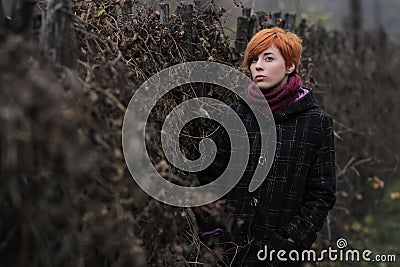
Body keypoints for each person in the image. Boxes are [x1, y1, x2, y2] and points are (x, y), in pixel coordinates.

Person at [198, 27, 336, 266]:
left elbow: (322, 192)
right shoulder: (235, 114)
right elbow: (210, 177)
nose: (258, 66)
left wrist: (293, 239)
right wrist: (214, 234)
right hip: (229, 251)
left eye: (268, 58)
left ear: (290, 66)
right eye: (253, 60)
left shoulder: (316, 122)